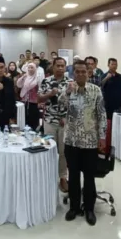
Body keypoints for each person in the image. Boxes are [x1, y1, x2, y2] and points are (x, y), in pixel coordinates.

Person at [58, 60, 107, 226]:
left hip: (90, 141)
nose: (80, 74)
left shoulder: (95, 90)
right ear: (73, 74)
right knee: (73, 176)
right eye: (77, 72)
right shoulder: (68, 89)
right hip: (71, 140)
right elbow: (60, 106)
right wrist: (67, 92)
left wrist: (102, 137)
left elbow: (101, 115)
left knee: (89, 177)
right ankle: (74, 207)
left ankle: (89, 209)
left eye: (83, 72)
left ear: (88, 73)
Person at [38, 57, 71, 192]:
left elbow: (74, 103)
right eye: (58, 65)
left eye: (62, 66)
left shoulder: (70, 83)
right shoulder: (46, 81)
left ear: (65, 67)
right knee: (48, 149)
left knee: (63, 152)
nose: (60, 68)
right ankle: (48, 175)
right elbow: (39, 99)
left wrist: (65, 117)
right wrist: (49, 94)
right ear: (53, 66)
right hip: (49, 121)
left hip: (65, 122)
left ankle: (63, 177)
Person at [16, 62, 42, 129]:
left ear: (35, 69)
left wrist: (40, 102)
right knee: (24, 117)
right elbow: (18, 85)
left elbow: (40, 89)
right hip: (24, 101)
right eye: (29, 67)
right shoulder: (25, 77)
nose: (30, 69)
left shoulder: (38, 78)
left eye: (32, 67)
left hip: (34, 102)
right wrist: (22, 77)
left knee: (33, 119)